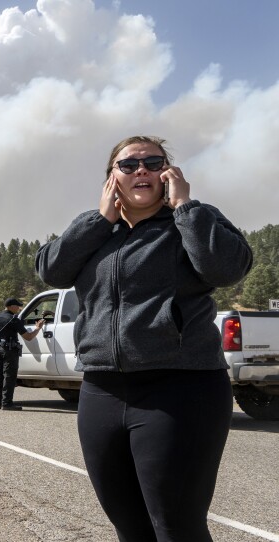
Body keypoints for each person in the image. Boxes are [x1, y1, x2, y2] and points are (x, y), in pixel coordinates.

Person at [35, 135, 252, 540]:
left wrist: (186, 207)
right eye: (129, 165)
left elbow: (225, 268)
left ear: (168, 174)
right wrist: (100, 220)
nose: (141, 171)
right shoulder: (98, 231)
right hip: (102, 390)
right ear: (111, 178)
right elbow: (52, 271)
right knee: (129, 525)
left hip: (182, 389)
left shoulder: (192, 220)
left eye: (153, 163)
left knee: (175, 526)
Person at [0, 298, 45, 411]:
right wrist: (38, 329)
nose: (19, 309)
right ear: (11, 306)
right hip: (9, 350)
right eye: (17, 306)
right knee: (9, 376)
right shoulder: (14, 319)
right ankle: (7, 403)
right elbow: (28, 337)